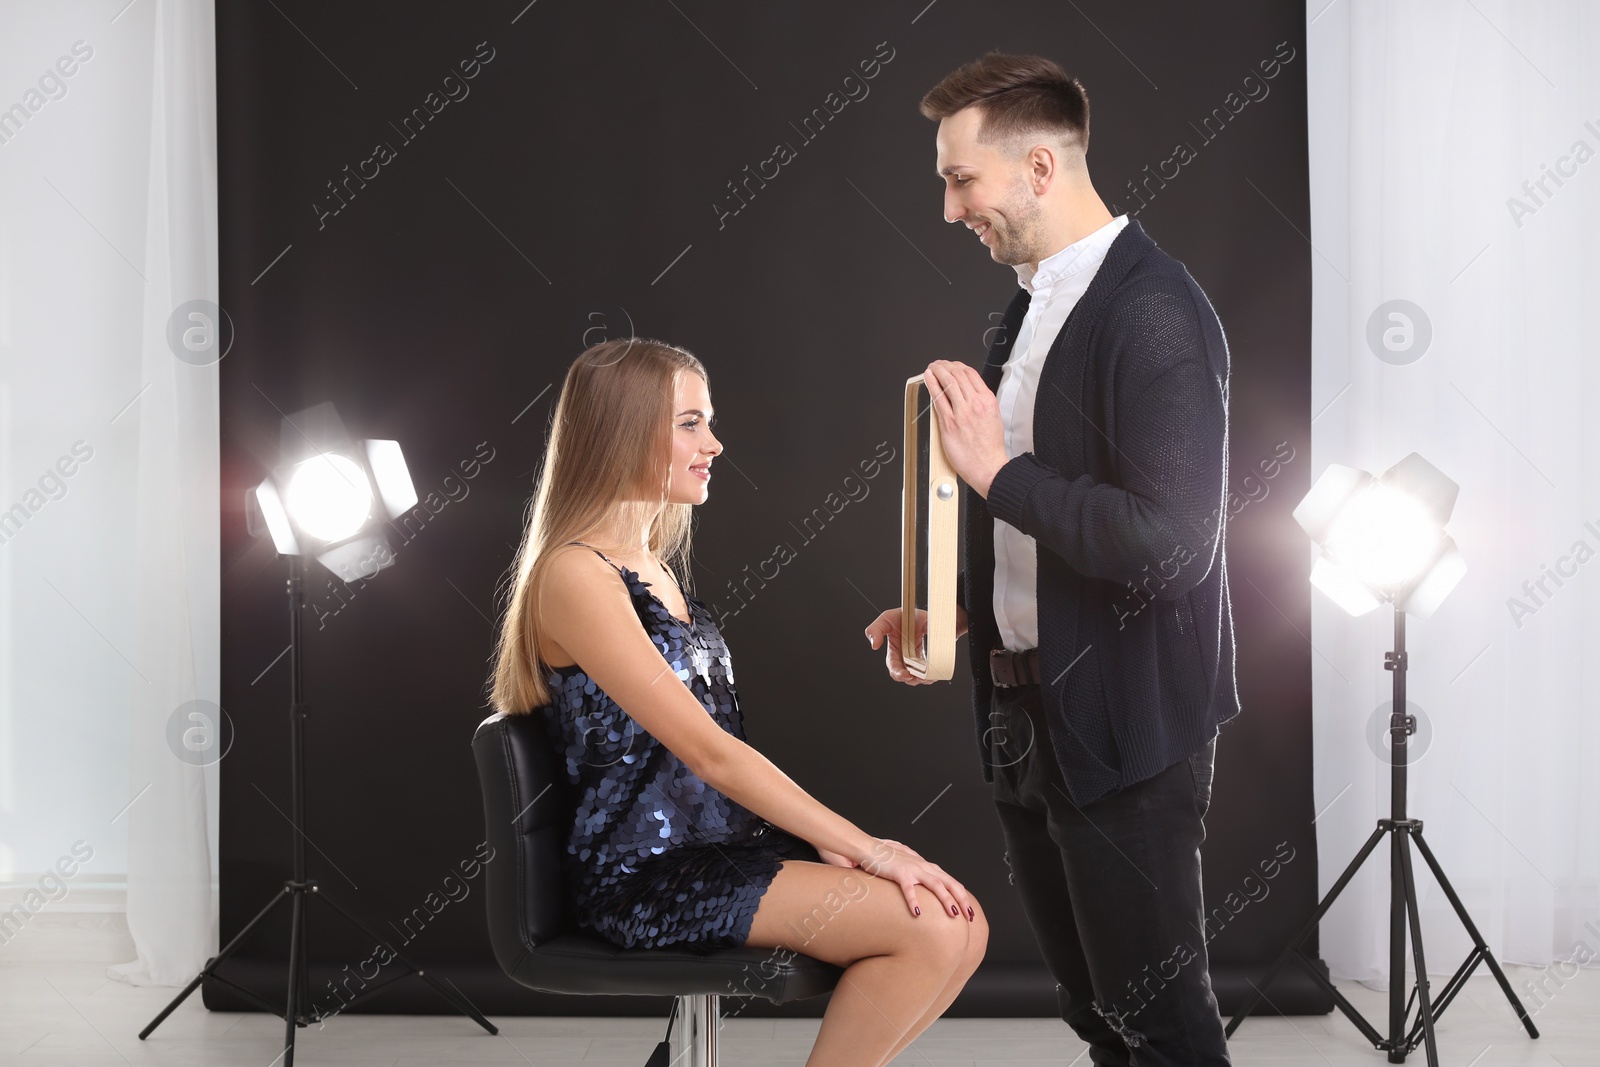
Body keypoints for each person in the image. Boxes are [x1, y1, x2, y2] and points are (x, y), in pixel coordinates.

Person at [866, 53, 1240, 1065]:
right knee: (1098, 1018)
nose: (948, 209)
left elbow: (1172, 544)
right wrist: (942, 613)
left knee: (1161, 1029)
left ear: (1038, 167)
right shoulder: (1030, 307)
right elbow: (1025, 528)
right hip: (1025, 721)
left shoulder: (1153, 311)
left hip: (1122, 730)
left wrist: (994, 469)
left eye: (959, 179)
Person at [487, 337, 988, 1067]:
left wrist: (829, 842)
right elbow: (710, 750)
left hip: (718, 848)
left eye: (707, 422)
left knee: (961, 922)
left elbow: (714, 749)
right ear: (623, 430)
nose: (714, 443)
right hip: (643, 877)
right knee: (930, 929)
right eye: (690, 423)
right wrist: (865, 847)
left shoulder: (651, 565)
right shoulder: (574, 575)